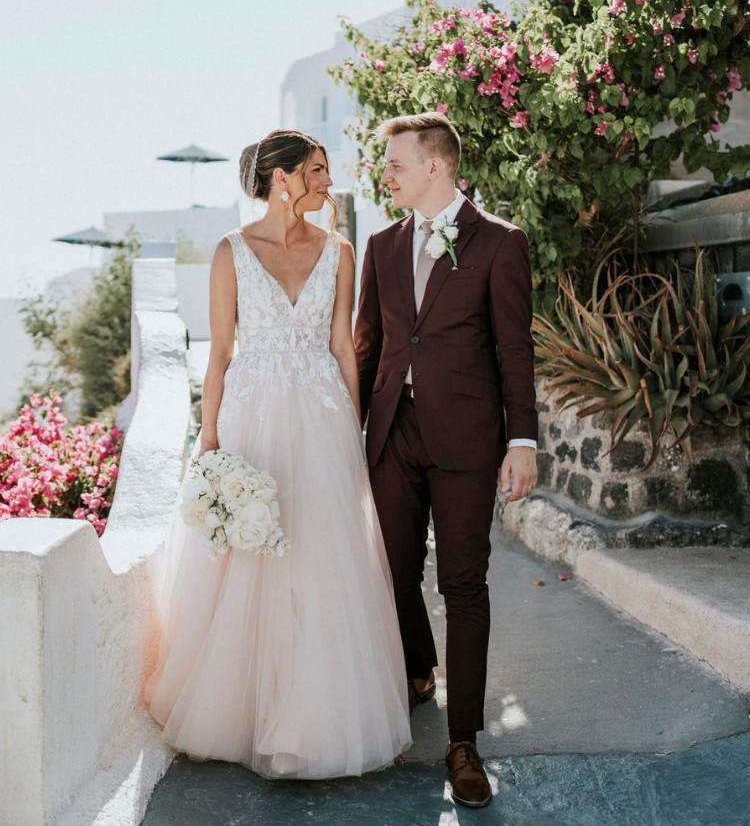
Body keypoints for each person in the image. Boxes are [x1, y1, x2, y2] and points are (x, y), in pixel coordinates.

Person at [146, 129, 411, 779]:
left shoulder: (341, 251)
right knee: (252, 556)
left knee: (322, 556)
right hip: (253, 415)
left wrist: (353, 432)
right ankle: (243, 710)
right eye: (317, 171)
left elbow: (345, 348)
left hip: (322, 419)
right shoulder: (229, 251)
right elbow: (220, 353)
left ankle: (315, 715)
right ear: (281, 178)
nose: (327, 182)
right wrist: (208, 440)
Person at [354, 113, 538, 808]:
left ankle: (463, 742)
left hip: (466, 437)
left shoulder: (499, 243)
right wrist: (346, 433)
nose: (388, 174)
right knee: (391, 571)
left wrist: (523, 439)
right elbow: (366, 343)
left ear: (436, 165)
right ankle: (418, 668)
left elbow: (514, 349)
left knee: (464, 584)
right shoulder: (378, 244)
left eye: (397, 163)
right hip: (391, 434)